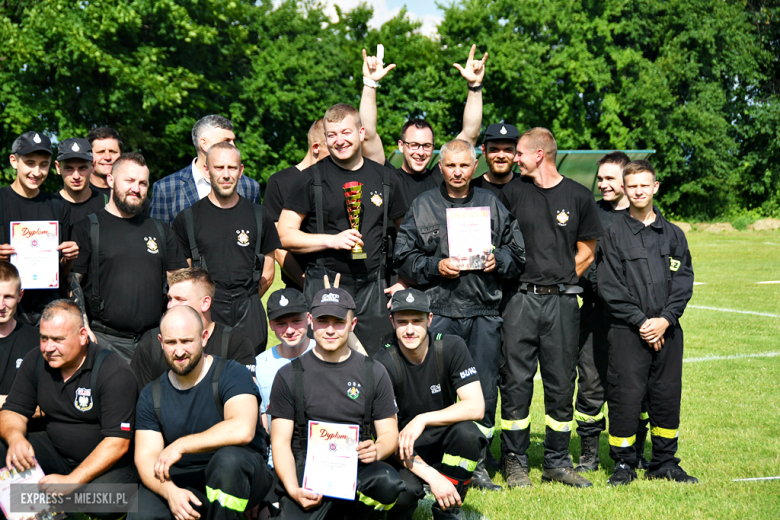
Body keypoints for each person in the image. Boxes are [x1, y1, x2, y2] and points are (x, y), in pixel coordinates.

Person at [394, 139, 525, 491]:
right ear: (440, 167)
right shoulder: (422, 206)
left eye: (464, 166)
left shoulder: (491, 205)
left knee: (482, 389)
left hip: (483, 312)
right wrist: (435, 265)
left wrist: (502, 262)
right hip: (439, 312)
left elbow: (518, 253)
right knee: (436, 392)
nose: (457, 172)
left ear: (474, 166)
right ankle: (431, 459)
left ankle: (477, 464)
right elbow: (402, 256)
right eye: (450, 166)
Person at [497, 127, 603, 488]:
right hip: (519, 301)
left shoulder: (578, 196)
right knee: (516, 383)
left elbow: (587, 250)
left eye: (520, 154)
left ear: (539, 154)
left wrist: (559, 279)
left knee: (561, 383)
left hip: (561, 304)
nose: (515, 159)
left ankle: (557, 461)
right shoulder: (511, 192)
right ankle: (515, 463)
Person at [597, 160, 697, 486]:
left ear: (655, 187)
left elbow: (683, 282)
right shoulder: (612, 234)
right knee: (626, 397)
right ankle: (624, 464)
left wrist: (665, 321)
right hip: (627, 331)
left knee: (666, 395)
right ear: (625, 189)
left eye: (645, 185)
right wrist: (643, 322)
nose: (638, 191)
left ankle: (664, 461)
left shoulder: (674, 235)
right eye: (633, 186)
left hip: (668, 331)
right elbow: (610, 286)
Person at [277, 104, 408, 352]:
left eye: (346, 132)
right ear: (325, 138)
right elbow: (284, 234)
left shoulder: (386, 178)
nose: (339, 141)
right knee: (326, 370)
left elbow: (408, 235)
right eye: (332, 135)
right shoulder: (310, 179)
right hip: (324, 284)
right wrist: (331, 240)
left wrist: (404, 279)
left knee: (378, 366)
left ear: (361, 133)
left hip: (374, 287)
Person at [268, 287, 405, 518]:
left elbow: (390, 434)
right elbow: (280, 443)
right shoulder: (288, 375)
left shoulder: (374, 372)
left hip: (357, 465)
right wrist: (293, 489)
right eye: (323, 321)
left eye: (339, 322)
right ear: (310, 321)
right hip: (307, 467)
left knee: (389, 484)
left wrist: (378, 449)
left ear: (353, 325)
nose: (330, 330)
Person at [131, 305, 274, 519]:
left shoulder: (231, 373)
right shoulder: (152, 394)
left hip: (240, 471)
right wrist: (170, 492)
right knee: (142, 510)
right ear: (161, 342)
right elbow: (146, 457)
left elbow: (242, 429)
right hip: (183, 478)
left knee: (227, 464)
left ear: (204, 337)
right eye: (171, 343)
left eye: (187, 341)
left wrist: (181, 444)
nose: (179, 352)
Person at [0, 300, 138, 491]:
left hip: (109, 463)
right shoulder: (35, 360)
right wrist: (16, 439)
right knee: (4, 448)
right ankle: (33, 507)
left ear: (82, 336)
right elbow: (13, 411)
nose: (48, 348)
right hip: (56, 451)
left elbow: (118, 443)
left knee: (105, 502)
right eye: (44, 338)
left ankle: (58, 498)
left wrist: (73, 480)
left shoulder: (114, 372)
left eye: (58, 340)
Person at [375, 288, 486, 520]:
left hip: (442, 441)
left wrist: (422, 419)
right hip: (403, 449)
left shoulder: (451, 346)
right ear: (392, 322)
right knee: (404, 493)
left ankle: (448, 508)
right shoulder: (382, 363)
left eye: (417, 321)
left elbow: (476, 406)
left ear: (430, 319)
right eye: (402, 322)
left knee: (468, 434)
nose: (410, 329)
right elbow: (389, 438)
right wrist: (433, 477)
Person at [69, 152, 189, 362]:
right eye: (130, 181)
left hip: (154, 342)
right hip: (104, 342)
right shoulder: (87, 228)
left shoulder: (160, 230)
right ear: (111, 180)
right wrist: (83, 326)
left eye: (143, 183)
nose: (136, 188)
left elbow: (180, 284)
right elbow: (72, 283)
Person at [172, 142, 280, 355]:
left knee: (250, 379)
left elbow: (268, 272)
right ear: (207, 171)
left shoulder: (260, 216)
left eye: (232, 168)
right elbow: (181, 278)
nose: (226, 174)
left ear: (241, 171)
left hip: (249, 310)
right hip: (207, 313)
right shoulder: (187, 219)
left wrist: (244, 299)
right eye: (219, 168)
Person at [573, 151, 637, 473]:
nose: (603, 185)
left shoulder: (642, 219)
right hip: (595, 314)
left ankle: (629, 453)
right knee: (591, 385)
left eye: (610, 178)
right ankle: (588, 455)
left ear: (627, 181)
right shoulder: (590, 215)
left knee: (630, 385)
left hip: (632, 320)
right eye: (600, 179)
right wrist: (608, 291)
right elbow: (581, 263)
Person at [359, 45, 487, 205]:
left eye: (426, 145)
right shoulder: (389, 177)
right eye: (413, 145)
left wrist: (475, 86)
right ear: (401, 145)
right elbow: (368, 135)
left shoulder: (441, 179)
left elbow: (470, 134)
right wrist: (370, 83)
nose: (420, 152)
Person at [0, 131, 79, 326]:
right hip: (6, 309)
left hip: (47, 308)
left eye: (43, 164)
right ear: (13, 161)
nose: (37, 172)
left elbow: (61, 271)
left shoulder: (59, 206)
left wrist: (69, 257)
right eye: (30, 163)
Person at [131, 267, 256, 387]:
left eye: (180, 299)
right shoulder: (151, 343)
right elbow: (140, 398)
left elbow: (247, 394)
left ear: (205, 303)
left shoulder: (235, 342)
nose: (170, 306)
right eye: (170, 299)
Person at [150, 115, 262, 226]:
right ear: (204, 144)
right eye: (226, 141)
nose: (233, 146)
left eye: (233, 141)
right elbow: (158, 239)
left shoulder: (249, 187)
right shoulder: (166, 189)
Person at [263, 119, 330, 289]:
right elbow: (278, 247)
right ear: (316, 147)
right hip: (301, 288)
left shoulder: (336, 181)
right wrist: (308, 285)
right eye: (332, 149)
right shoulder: (280, 182)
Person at [255, 288, 314, 466]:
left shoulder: (325, 354)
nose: (289, 330)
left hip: (319, 453)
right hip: (276, 458)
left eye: (296, 321)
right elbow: (263, 419)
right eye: (281, 324)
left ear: (309, 319)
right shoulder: (260, 365)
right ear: (271, 325)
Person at [0, 262, 38, 406]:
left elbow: (47, 401)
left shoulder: (37, 340)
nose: (1, 306)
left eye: (8, 297)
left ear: (20, 295)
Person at [54, 137, 106, 224]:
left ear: (93, 166)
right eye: (69, 168)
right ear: (58, 167)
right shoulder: (48, 207)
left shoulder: (107, 204)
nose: (76, 176)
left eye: (82, 168)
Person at [470, 124, 521, 197]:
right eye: (494, 149)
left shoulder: (529, 187)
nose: (501, 156)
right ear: (484, 150)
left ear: (517, 152)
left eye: (508, 150)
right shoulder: (471, 189)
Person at [87, 127, 123, 200]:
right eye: (101, 152)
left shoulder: (132, 194)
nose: (107, 157)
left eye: (113, 151)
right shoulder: (75, 195)